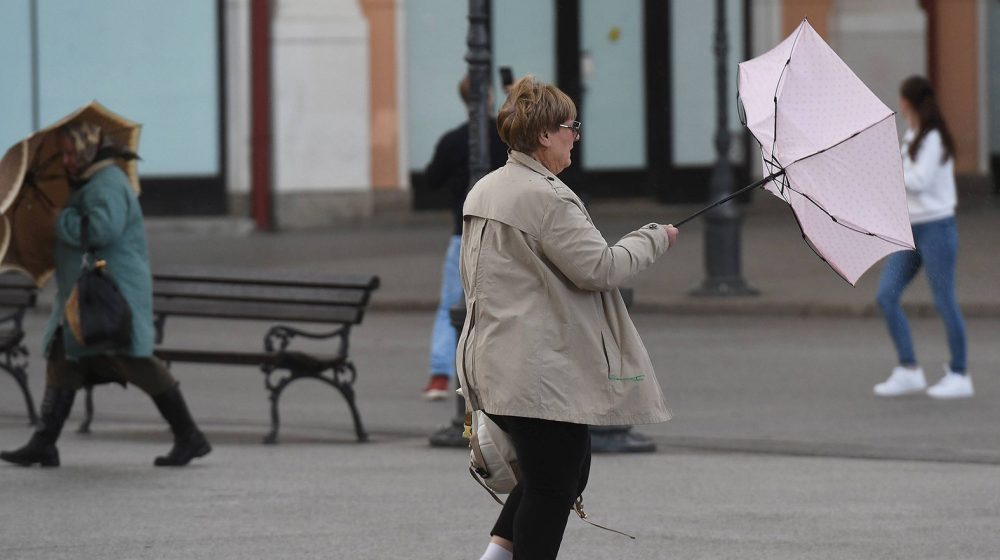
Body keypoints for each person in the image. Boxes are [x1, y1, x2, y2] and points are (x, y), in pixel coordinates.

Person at [456, 76, 679, 560]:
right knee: (554, 484)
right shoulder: (546, 196)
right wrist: (654, 238)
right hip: (535, 368)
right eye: (570, 127)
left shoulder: (486, 188)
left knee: (561, 470)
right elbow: (601, 268)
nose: (576, 135)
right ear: (544, 135)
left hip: (495, 357)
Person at [0, 122, 212, 467]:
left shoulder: (107, 183)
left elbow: (101, 230)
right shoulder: (87, 183)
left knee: (134, 360)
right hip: (84, 293)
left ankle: (189, 435)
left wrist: (63, 219)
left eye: (72, 152)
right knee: (61, 353)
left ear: (88, 148)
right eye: (64, 153)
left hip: (110, 293)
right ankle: (44, 442)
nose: (67, 160)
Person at [873, 76, 972, 399]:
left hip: (937, 229)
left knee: (944, 301)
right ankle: (908, 369)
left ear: (906, 102)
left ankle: (960, 374)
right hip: (910, 228)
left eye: (901, 99)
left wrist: (891, 171)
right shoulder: (913, 134)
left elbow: (919, 181)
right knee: (886, 295)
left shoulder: (934, 138)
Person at [421, 75, 507, 400]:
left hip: (462, 232)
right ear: (488, 97)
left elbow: (431, 179)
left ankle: (440, 377)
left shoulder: (453, 140)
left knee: (450, 305)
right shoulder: (503, 137)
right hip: (501, 236)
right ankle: (492, 375)